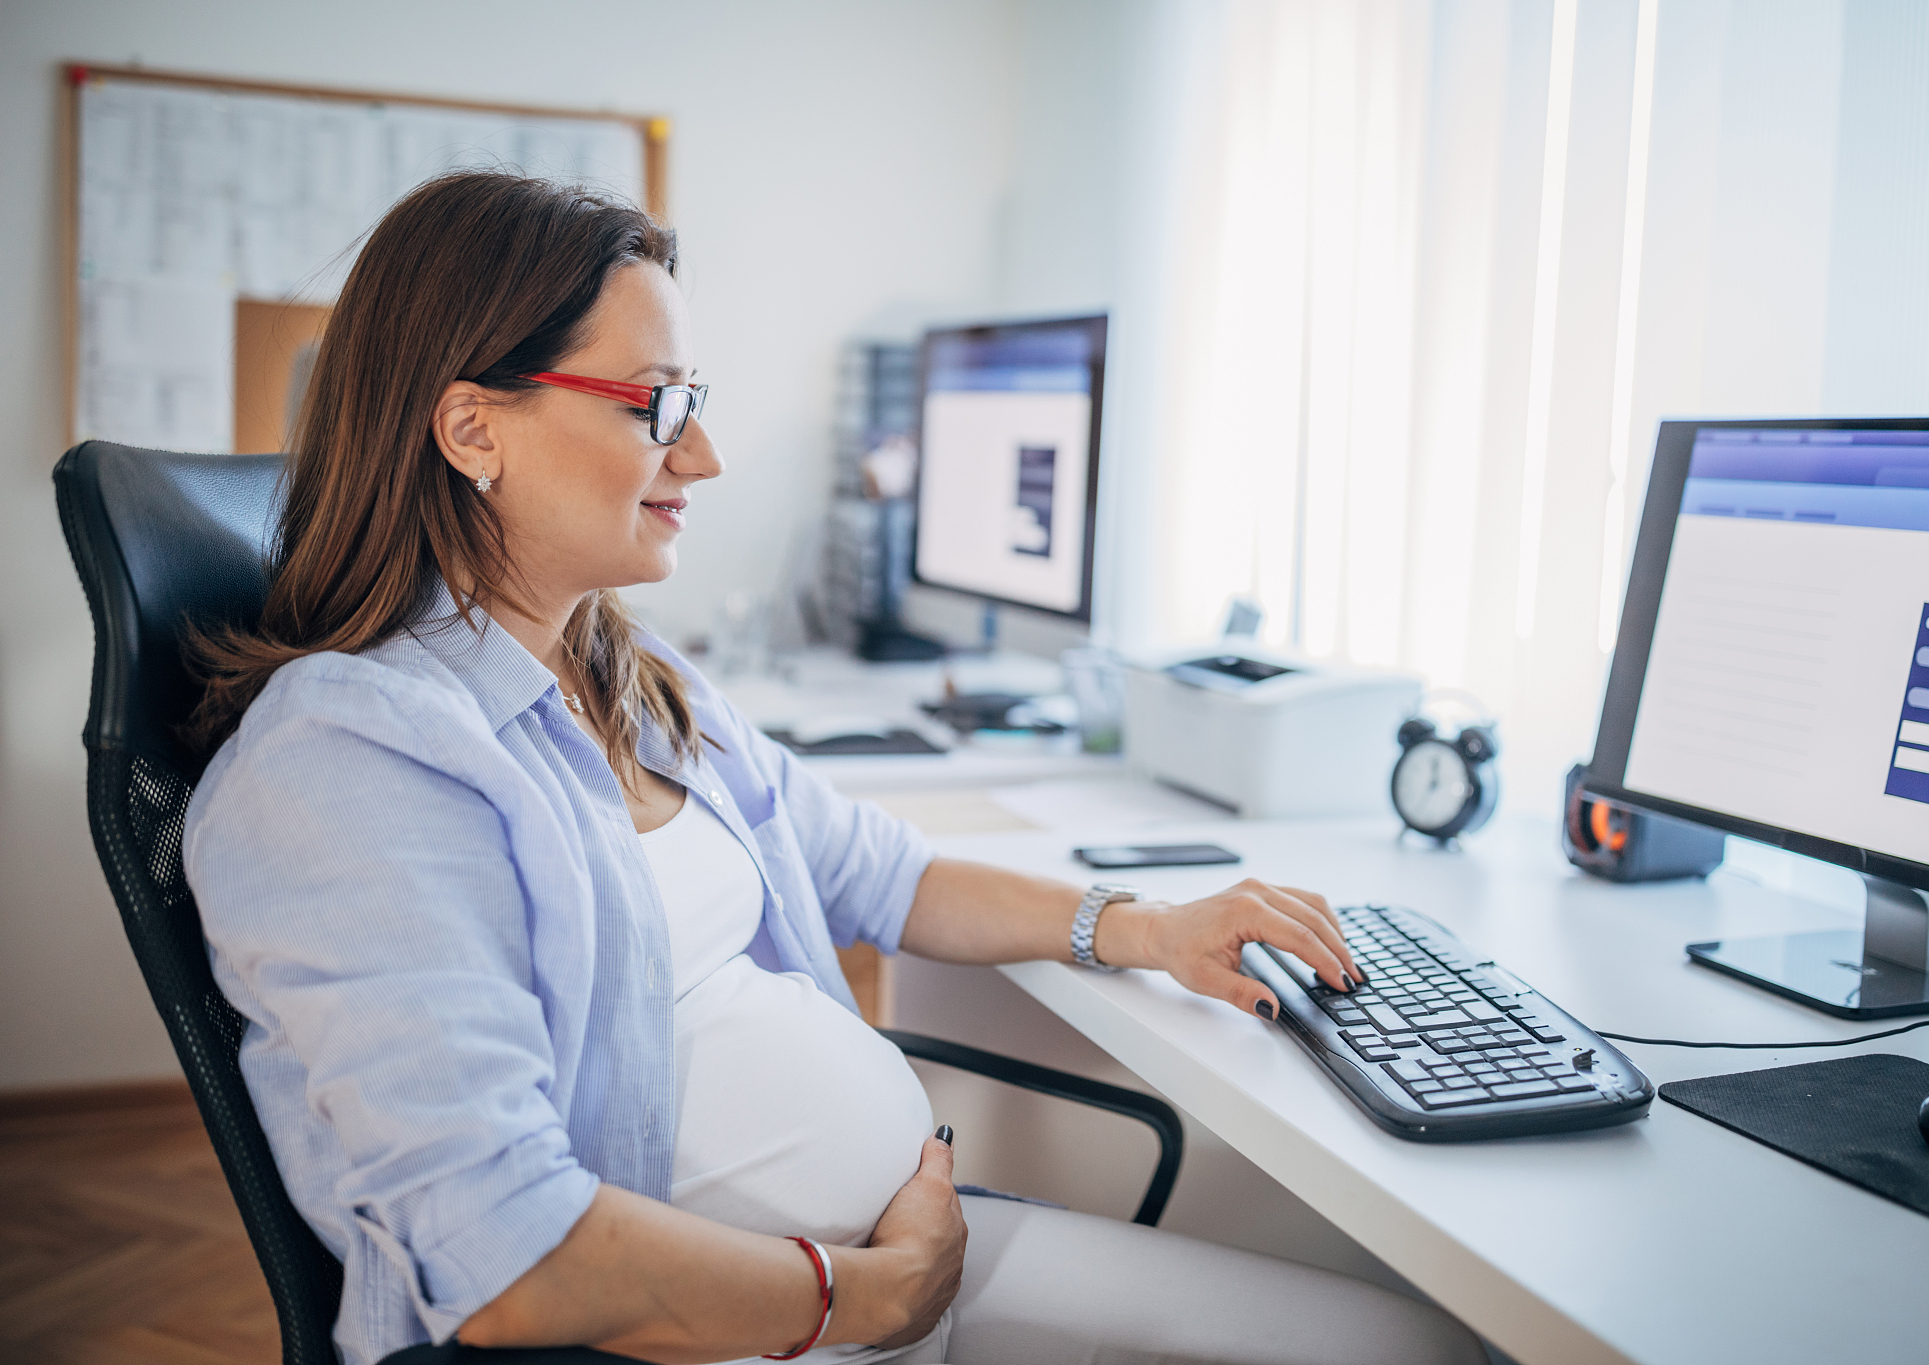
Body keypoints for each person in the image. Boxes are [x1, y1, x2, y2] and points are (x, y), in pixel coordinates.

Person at [182, 172, 1486, 1365]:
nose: (705, 456)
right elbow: (503, 1254)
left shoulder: (631, 681)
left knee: (1409, 1346)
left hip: (890, 1270)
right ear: (473, 429)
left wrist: (1143, 925)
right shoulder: (350, 764)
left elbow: (878, 868)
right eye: (661, 406)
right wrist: (859, 1297)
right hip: (733, 1326)